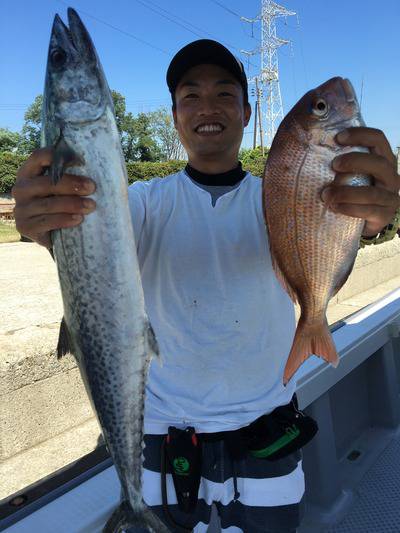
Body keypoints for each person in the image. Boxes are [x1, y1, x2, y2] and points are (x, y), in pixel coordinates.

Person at [13, 39, 400, 533]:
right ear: (175, 117)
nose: (207, 107)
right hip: (161, 439)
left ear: (246, 112)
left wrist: (376, 219)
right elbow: (93, 233)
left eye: (224, 93)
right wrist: (50, 224)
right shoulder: (141, 203)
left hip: (269, 429)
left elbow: (341, 223)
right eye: (190, 96)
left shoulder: (284, 196)